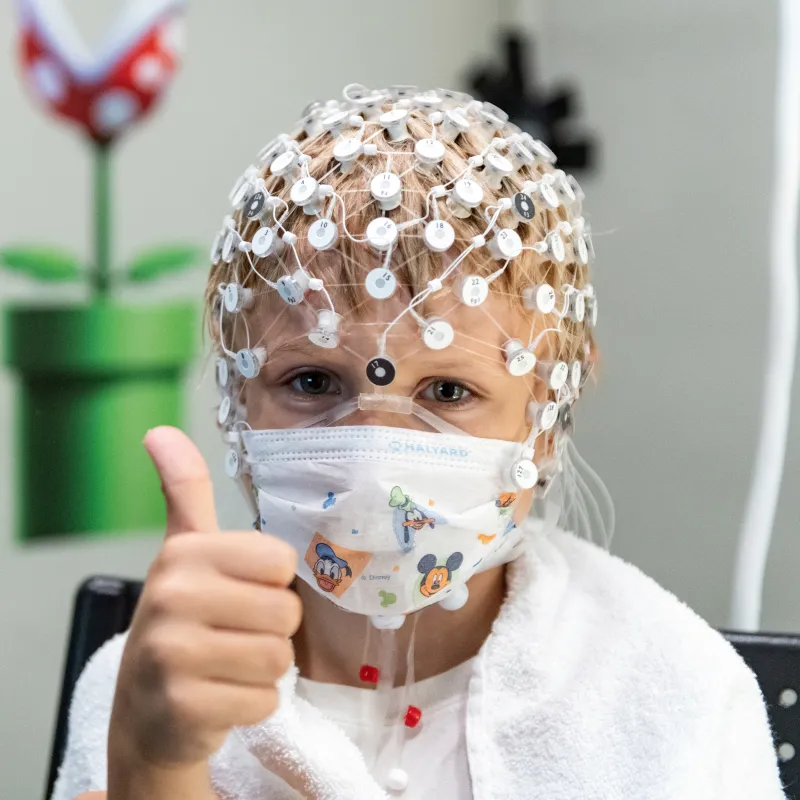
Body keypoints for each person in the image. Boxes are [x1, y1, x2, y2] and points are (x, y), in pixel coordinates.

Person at [53, 85, 786, 800]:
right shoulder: (147, 691)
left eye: (446, 393)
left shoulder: (672, 689)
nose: (374, 452)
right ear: (236, 394)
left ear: (548, 407)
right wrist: (155, 768)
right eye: (311, 382)